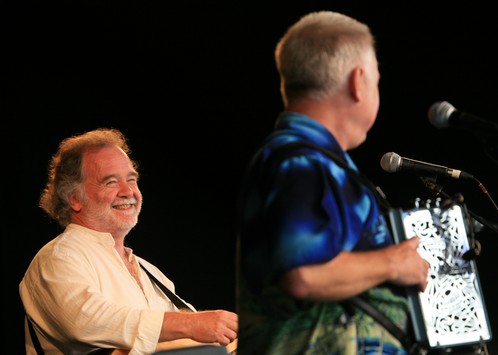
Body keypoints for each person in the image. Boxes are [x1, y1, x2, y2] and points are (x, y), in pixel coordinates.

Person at [236, 11, 430, 354]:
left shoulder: (311, 161)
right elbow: (304, 273)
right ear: (358, 81)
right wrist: (394, 263)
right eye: (377, 80)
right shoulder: (299, 161)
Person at [19, 128, 238, 354]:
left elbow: (202, 337)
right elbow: (87, 320)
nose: (128, 191)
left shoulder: (151, 273)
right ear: (74, 198)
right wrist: (189, 324)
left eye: (131, 180)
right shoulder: (58, 258)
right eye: (110, 182)